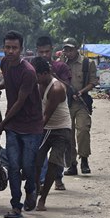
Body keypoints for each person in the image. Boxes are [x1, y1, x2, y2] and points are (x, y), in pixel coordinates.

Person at [0, 30, 43, 218]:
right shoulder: (4, 63)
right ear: (3, 48)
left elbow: (20, 102)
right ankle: (16, 206)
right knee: (13, 165)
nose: (10, 51)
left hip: (31, 125)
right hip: (13, 125)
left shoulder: (28, 72)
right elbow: (8, 81)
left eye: (14, 48)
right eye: (7, 47)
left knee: (28, 166)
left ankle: (31, 189)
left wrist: (1, 123)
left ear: (21, 49)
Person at [31, 57, 72, 211]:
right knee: (36, 161)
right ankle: (36, 188)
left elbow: (45, 117)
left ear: (44, 73)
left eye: (36, 76)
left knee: (53, 164)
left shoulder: (56, 89)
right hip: (46, 127)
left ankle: (43, 199)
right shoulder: (40, 84)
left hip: (60, 129)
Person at [35, 36, 72, 189]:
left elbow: (65, 87)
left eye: (47, 51)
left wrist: (52, 75)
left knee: (57, 155)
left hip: (59, 115)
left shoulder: (60, 67)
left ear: (51, 50)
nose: (44, 54)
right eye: (41, 52)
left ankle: (57, 177)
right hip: (42, 114)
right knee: (40, 154)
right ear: (38, 51)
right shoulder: (34, 68)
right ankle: (41, 181)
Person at [61, 37, 98, 175]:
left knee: (83, 130)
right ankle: (72, 164)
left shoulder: (87, 63)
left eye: (70, 49)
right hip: (65, 103)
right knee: (67, 134)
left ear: (76, 49)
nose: (68, 52)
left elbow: (93, 82)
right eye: (66, 49)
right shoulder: (61, 63)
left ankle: (84, 159)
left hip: (81, 102)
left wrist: (82, 92)